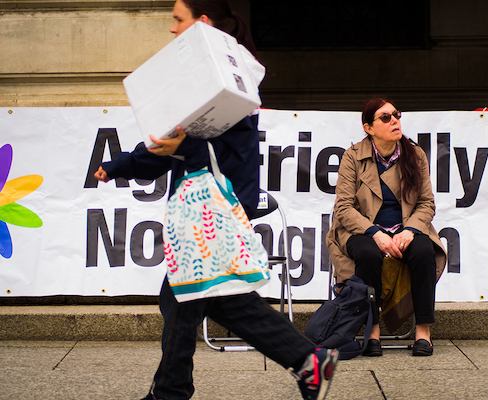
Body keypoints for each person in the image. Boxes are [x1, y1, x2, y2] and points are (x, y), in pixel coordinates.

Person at [94, 1, 338, 399]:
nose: (172, 29)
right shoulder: (226, 72)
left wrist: (124, 163)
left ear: (201, 23)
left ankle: (175, 392)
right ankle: (305, 363)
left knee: (193, 296)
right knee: (199, 299)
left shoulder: (214, 80)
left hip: (210, 211)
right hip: (216, 205)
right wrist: (125, 164)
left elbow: (179, 144)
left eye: (178, 19)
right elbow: (179, 145)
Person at [326, 97, 447, 357]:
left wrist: (410, 230)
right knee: (369, 254)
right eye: (385, 117)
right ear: (368, 127)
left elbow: (426, 203)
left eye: (396, 114)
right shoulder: (353, 157)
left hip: (405, 228)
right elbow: (344, 208)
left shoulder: (415, 155)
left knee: (425, 252)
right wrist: (375, 233)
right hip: (363, 230)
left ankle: (423, 332)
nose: (394, 120)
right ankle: (373, 331)